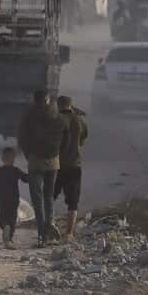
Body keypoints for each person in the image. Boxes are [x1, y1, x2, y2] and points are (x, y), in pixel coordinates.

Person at [17, 90, 65, 246]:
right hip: (53, 162)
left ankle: (41, 234)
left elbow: (22, 139)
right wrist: (57, 153)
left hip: (35, 161)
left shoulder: (28, 117)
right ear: (47, 100)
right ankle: (49, 225)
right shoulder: (57, 116)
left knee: (37, 199)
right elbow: (64, 138)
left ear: (34, 100)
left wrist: (29, 155)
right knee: (49, 196)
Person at [54, 95, 88, 242]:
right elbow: (83, 139)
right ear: (71, 105)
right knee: (73, 202)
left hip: (56, 165)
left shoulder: (55, 120)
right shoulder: (79, 120)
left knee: (50, 197)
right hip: (74, 165)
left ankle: (47, 227)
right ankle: (69, 233)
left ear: (58, 105)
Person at [0, 146, 28, 249]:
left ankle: (5, 226)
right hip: (14, 198)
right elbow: (25, 179)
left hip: (2, 198)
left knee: (1, 217)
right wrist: (34, 174)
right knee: (12, 218)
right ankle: (9, 238)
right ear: (14, 159)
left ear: (2, 159)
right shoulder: (16, 170)